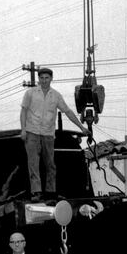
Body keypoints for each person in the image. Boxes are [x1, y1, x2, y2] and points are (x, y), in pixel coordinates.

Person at [20, 66, 89, 203]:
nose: (44, 80)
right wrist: (23, 129)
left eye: (47, 78)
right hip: (32, 132)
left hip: (48, 134)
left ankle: (51, 192)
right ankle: (36, 192)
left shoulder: (56, 95)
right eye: (42, 78)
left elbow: (68, 112)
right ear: (39, 79)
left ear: (51, 79)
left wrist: (82, 127)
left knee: (50, 164)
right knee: (33, 163)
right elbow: (23, 111)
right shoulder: (30, 93)